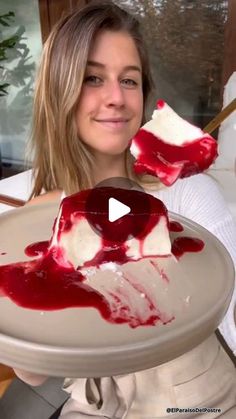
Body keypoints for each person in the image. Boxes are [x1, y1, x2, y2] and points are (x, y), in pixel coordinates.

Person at [8, 1, 236, 417]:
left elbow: (234, 328)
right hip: (94, 404)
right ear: (61, 91)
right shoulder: (45, 214)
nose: (116, 98)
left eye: (129, 81)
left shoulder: (188, 198)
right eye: (93, 77)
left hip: (194, 404)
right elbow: (35, 374)